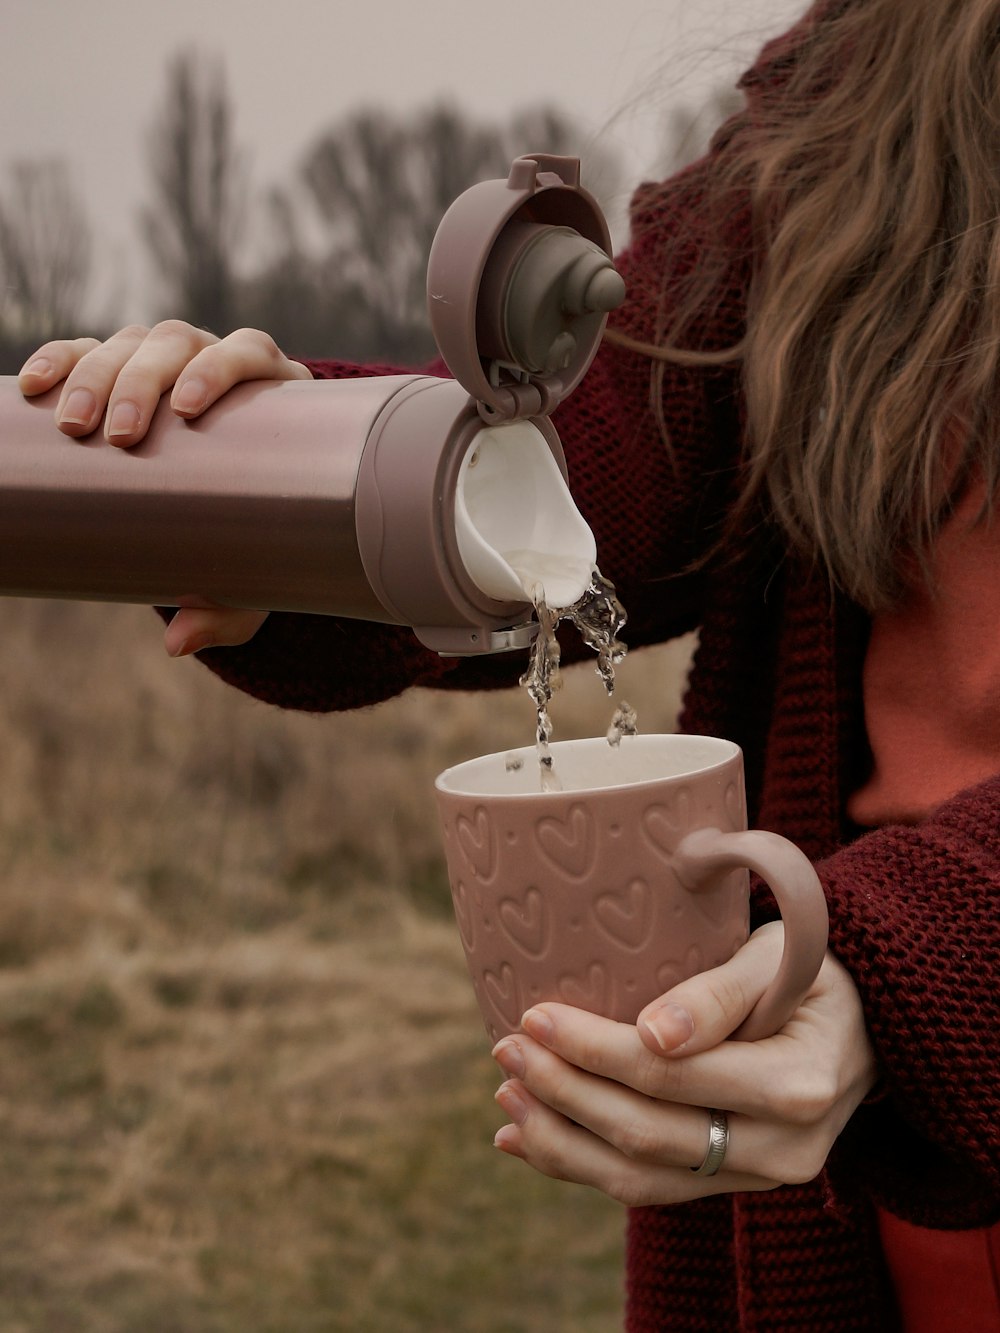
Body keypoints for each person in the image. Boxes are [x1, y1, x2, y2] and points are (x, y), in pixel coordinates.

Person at [17, 0, 1000, 1328]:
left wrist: (896, 969)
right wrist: (280, 465)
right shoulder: (868, 86)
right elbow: (600, 476)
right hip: (844, 1179)